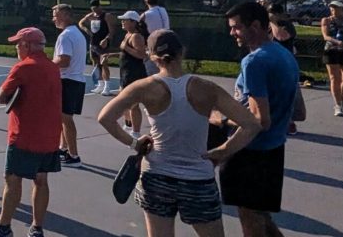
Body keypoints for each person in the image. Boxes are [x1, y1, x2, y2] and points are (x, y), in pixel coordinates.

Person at [98, 30, 263, 237]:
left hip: (156, 176)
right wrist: (222, 151)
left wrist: (134, 144)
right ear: (182, 52)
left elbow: (105, 117)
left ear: (151, 56)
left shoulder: (143, 87)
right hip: (198, 179)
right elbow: (251, 124)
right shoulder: (206, 88)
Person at [221, 1, 301, 237]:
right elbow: (299, 112)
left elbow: (259, 120)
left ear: (255, 26)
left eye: (236, 27)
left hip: (252, 152)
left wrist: (222, 120)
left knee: (251, 218)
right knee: (260, 214)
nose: (232, 32)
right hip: (274, 149)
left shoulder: (254, 61)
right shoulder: (285, 55)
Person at [0, 27, 62, 237]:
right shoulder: (52, 67)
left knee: (12, 179)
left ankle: (3, 228)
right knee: (41, 180)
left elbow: (2, 96)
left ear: (27, 46)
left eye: (18, 44)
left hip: (25, 136)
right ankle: (37, 228)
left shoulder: (22, 67)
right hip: (50, 136)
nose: (15, 47)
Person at [51, 4, 87, 167]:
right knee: (63, 118)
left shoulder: (65, 36)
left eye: (55, 15)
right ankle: (63, 149)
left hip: (67, 80)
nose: (53, 19)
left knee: (65, 119)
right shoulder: (77, 34)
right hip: (76, 80)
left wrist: (47, 65)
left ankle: (74, 156)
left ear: (65, 15)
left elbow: (64, 60)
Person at [268, 4, 302, 135]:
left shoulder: (287, 25)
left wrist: (272, 21)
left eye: (273, 13)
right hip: (269, 63)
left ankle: (289, 122)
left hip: (285, 64)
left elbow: (281, 37)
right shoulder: (265, 26)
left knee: (286, 94)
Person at [320, 0, 343, 116]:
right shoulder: (326, 20)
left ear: (342, 9)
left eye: (336, 7)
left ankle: (341, 99)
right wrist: (338, 42)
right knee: (334, 78)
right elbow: (326, 36)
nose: (333, 9)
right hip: (332, 51)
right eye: (332, 7)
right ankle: (337, 104)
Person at [118, 10, 150, 137]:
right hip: (126, 72)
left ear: (133, 22)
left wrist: (125, 47)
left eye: (125, 20)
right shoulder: (128, 35)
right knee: (123, 100)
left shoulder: (136, 36)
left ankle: (136, 132)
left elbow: (142, 55)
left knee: (133, 104)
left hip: (134, 74)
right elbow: (126, 54)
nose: (122, 22)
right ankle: (128, 124)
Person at [79, 2, 112, 96]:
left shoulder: (106, 16)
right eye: (93, 9)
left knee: (104, 63)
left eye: (96, 8)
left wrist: (106, 39)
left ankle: (107, 86)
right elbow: (81, 23)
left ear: (99, 7)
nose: (94, 10)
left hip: (103, 45)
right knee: (96, 63)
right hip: (93, 43)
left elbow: (112, 31)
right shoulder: (90, 16)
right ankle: (100, 84)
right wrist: (86, 30)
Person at [143, 0, 170, 75]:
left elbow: (137, 26)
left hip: (153, 45)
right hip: (166, 43)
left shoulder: (146, 15)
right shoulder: (163, 10)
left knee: (152, 72)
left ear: (146, 1)